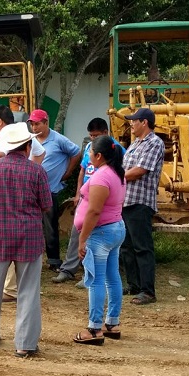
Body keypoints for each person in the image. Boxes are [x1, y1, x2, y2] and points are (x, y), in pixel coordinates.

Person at [0, 123, 52, 357]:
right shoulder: (37, 172)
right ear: (28, 147)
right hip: (29, 237)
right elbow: (47, 205)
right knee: (28, 290)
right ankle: (25, 344)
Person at [53, 118, 124, 284]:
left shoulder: (116, 149)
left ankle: (89, 274)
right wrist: (78, 194)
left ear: (106, 133)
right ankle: (68, 269)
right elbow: (82, 170)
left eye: (96, 135)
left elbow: (120, 174)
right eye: (90, 135)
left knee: (93, 236)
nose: (92, 139)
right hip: (86, 195)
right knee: (76, 233)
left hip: (101, 198)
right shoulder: (88, 147)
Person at [72, 135, 127, 345]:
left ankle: (94, 329)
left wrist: (82, 239)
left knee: (95, 281)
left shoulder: (101, 177)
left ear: (99, 155)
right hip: (115, 229)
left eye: (90, 152)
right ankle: (112, 323)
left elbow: (94, 211)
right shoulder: (116, 173)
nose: (88, 155)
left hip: (101, 233)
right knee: (112, 277)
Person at [0, 105, 45, 302]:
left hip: (5, 204)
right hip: (26, 204)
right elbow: (40, 152)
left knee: (5, 249)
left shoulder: (4, 135)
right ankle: (14, 288)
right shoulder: (25, 130)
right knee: (22, 249)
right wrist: (30, 171)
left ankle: (9, 289)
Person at [119, 108, 165, 304]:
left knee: (142, 247)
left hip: (140, 202)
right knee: (126, 247)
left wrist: (115, 177)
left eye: (134, 121)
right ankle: (134, 285)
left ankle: (148, 291)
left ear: (144, 122)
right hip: (126, 201)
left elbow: (140, 170)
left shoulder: (154, 143)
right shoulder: (135, 144)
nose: (131, 123)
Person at [27, 109, 80, 270]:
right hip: (31, 190)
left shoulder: (58, 139)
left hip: (50, 189)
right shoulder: (30, 140)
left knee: (49, 225)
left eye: (37, 124)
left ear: (46, 122)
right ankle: (30, 257)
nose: (34, 128)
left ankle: (54, 260)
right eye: (32, 124)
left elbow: (76, 152)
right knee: (31, 224)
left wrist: (68, 172)